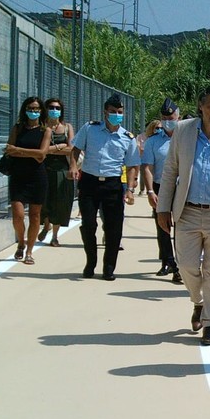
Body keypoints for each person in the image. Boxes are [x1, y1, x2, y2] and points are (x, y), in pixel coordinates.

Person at [157, 86, 210, 346]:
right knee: (187, 267)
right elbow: (171, 170)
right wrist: (163, 208)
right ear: (201, 107)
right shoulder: (183, 130)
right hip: (187, 211)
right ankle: (198, 302)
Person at [72, 94, 140, 280]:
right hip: (90, 182)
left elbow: (132, 165)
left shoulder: (128, 138)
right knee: (88, 224)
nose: (116, 115)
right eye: (113, 111)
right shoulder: (90, 129)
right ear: (105, 112)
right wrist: (73, 166)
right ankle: (90, 262)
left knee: (113, 228)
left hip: (113, 185)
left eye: (119, 112)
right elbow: (76, 148)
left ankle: (109, 267)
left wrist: (130, 190)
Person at [4, 96, 52, 265]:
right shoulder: (17, 128)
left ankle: (29, 252)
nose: (33, 111)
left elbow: (42, 155)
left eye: (36, 109)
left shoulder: (45, 131)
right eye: (30, 108)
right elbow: (9, 150)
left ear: (41, 111)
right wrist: (30, 153)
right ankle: (21, 242)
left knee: (35, 215)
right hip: (18, 176)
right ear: (25, 110)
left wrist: (19, 150)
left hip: (37, 177)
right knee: (17, 215)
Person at [142, 103, 182, 283]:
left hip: (182, 188)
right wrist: (150, 191)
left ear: (178, 118)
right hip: (161, 187)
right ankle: (168, 262)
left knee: (181, 227)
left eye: (170, 118)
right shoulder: (153, 141)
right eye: (164, 118)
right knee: (162, 227)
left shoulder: (186, 138)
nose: (167, 121)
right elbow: (148, 167)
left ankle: (180, 264)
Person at [38, 98, 75, 247]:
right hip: (43, 170)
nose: (54, 110)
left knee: (60, 203)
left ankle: (54, 236)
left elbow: (71, 148)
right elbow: (39, 150)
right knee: (44, 202)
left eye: (57, 108)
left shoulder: (67, 127)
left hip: (62, 170)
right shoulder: (41, 127)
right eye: (51, 107)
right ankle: (46, 224)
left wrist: (48, 150)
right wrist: (60, 146)